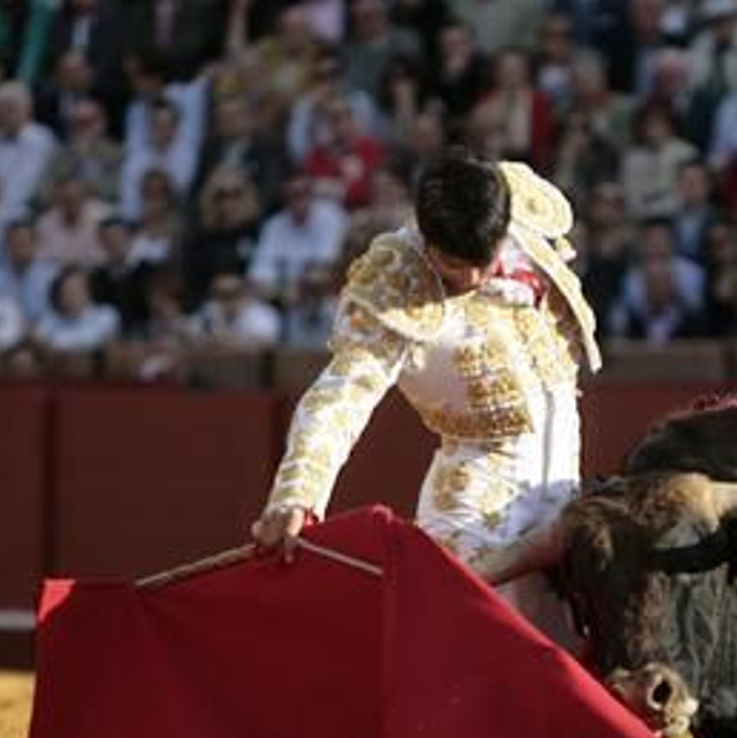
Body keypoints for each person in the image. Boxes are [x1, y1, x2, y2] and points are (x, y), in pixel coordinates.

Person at [250, 149, 601, 634]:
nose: (473, 279)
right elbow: (340, 396)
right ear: (426, 237)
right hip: (476, 510)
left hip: (565, 489)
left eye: (484, 260)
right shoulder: (397, 281)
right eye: (455, 264)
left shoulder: (511, 210)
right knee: (474, 651)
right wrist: (297, 493)